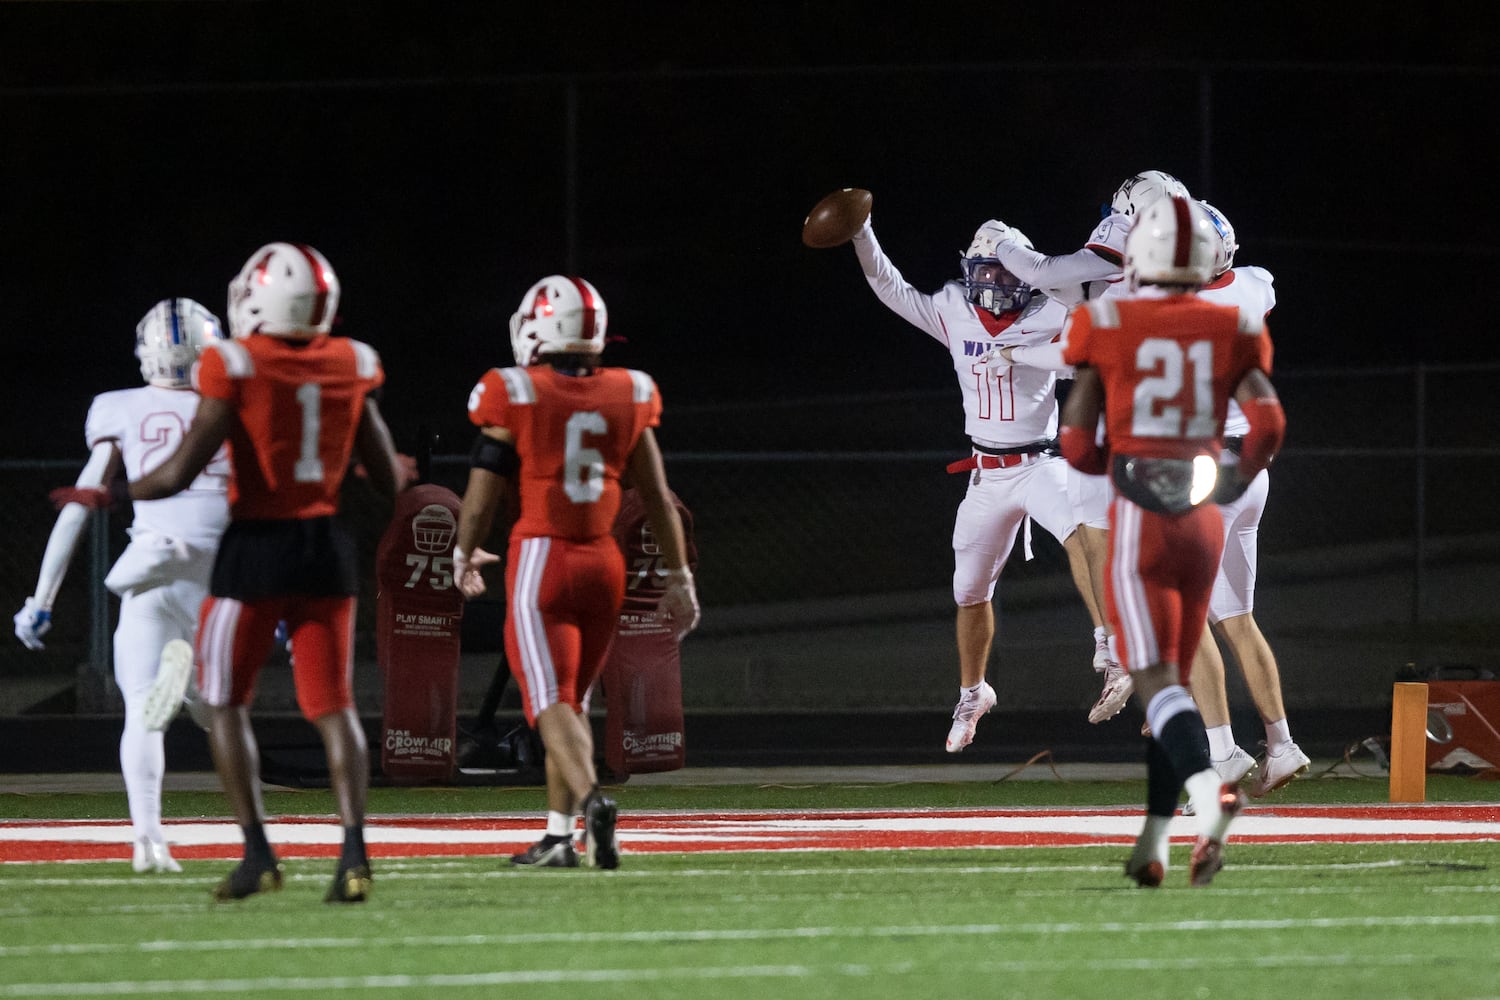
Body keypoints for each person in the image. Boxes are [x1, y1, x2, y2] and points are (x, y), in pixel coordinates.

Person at [103, 242, 403, 903]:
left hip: (256, 548)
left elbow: (181, 469)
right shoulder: (353, 361)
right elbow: (387, 477)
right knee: (334, 707)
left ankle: (258, 853)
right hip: (326, 545)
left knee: (224, 699)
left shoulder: (232, 362)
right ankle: (353, 853)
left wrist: (118, 495)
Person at [1058, 195, 1285, 887]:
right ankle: (1156, 841)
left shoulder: (1105, 320)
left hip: (1142, 515)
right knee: (1174, 682)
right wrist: (1231, 479)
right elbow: (1268, 426)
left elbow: (1073, 442)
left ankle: (1210, 789)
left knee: (1156, 679)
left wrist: (1111, 467)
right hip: (1205, 517)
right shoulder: (1235, 323)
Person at [454, 274, 699, 870]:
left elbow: (482, 496)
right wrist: (679, 576)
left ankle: (592, 803)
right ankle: (560, 837)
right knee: (572, 702)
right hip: (605, 565)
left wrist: (463, 552)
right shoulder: (629, 390)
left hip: (543, 558)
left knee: (548, 703)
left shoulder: (512, 390)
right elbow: (660, 498)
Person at [841, 206, 1082, 754]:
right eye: (985, 270)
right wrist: (863, 233)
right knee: (969, 590)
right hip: (986, 473)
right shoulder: (953, 307)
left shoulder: (1054, 309)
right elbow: (891, 288)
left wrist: (1030, 353)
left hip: (1041, 462)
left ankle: (1108, 645)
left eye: (1004, 270)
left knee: (1083, 532)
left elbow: (1087, 355)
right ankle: (974, 691)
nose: (993, 281)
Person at [14, 298, 230, 874]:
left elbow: (79, 508)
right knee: (223, 713)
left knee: (140, 711)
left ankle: (148, 841)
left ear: (147, 351)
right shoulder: (235, 405)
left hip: (152, 567)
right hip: (224, 573)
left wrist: (41, 600)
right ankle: (192, 693)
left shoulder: (118, 408)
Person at [986, 170, 1192, 725]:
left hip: (1118, 411)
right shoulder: (1196, 251)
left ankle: (1125, 655)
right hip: (1175, 411)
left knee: (1102, 535)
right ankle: (1151, 672)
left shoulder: (1127, 237)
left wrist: (1002, 244)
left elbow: (1052, 274)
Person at [1188, 200, 1310, 795]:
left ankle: (1222, 754)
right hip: (1250, 472)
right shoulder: (1254, 285)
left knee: (1181, 620)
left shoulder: (1187, 303)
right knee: (1236, 617)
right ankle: (1281, 745)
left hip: (1211, 471)